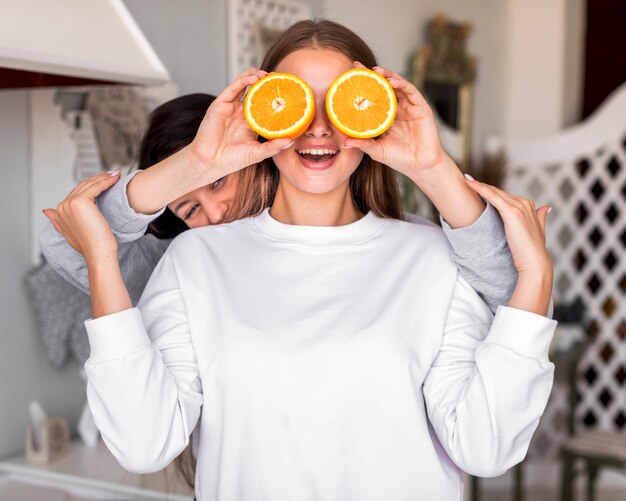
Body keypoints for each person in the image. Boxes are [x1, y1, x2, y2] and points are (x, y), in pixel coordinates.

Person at [44, 19, 555, 501]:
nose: (317, 127)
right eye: (294, 103)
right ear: (262, 115)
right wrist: (188, 173)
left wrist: (534, 275)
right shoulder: (194, 258)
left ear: (374, 114)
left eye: (339, 103)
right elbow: (142, 443)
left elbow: (486, 447)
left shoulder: (434, 258)